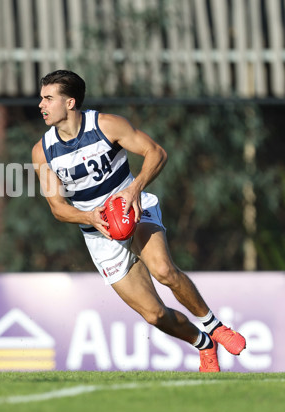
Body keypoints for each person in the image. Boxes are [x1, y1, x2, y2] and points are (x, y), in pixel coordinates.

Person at [32, 70, 246, 373]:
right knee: (154, 315)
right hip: (98, 234)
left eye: (47, 98)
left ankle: (215, 327)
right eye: (42, 98)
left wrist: (135, 188)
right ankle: (203, 343)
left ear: (70, 102)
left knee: (163, 270)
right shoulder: (42, 152)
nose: (40, 104)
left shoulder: (106, 125)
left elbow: (155, 153)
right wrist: (89, 216)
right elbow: (57, 207)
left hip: (134, 208)